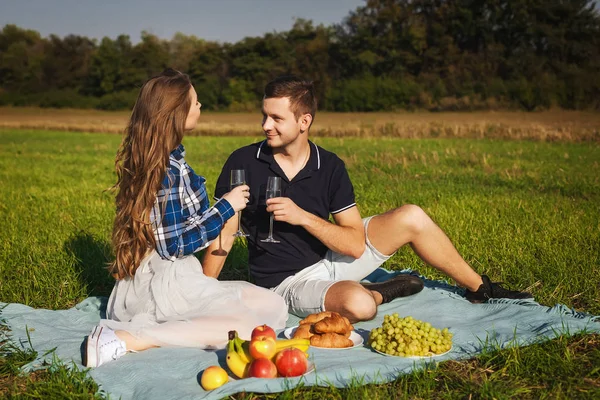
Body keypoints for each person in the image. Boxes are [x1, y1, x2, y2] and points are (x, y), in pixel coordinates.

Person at [202, 75, 533, 323]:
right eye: (264, 115)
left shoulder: (329, 165)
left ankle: (480, 288)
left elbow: (354, 246)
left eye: (276, 118)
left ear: (305, 122)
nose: (265, 125)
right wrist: (201, 294)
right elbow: (225, 235)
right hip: (287, 281)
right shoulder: (243, 161)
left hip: (333, 256)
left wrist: (303, 217)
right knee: (361, 306)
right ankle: (382, 290)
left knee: (412, 216)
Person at [84, 69, 288, 368]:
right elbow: (173, 246)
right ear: (177, 113)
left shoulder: (169, 159)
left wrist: (220, 212)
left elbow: (177, 228)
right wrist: (226, 209)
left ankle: (165, 330)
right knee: (243, 325)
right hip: (161, 282)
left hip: (176, 277)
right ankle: (128, 339)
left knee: (272, 304)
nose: (200, 106)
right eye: (195, 102)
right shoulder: (166, 170)